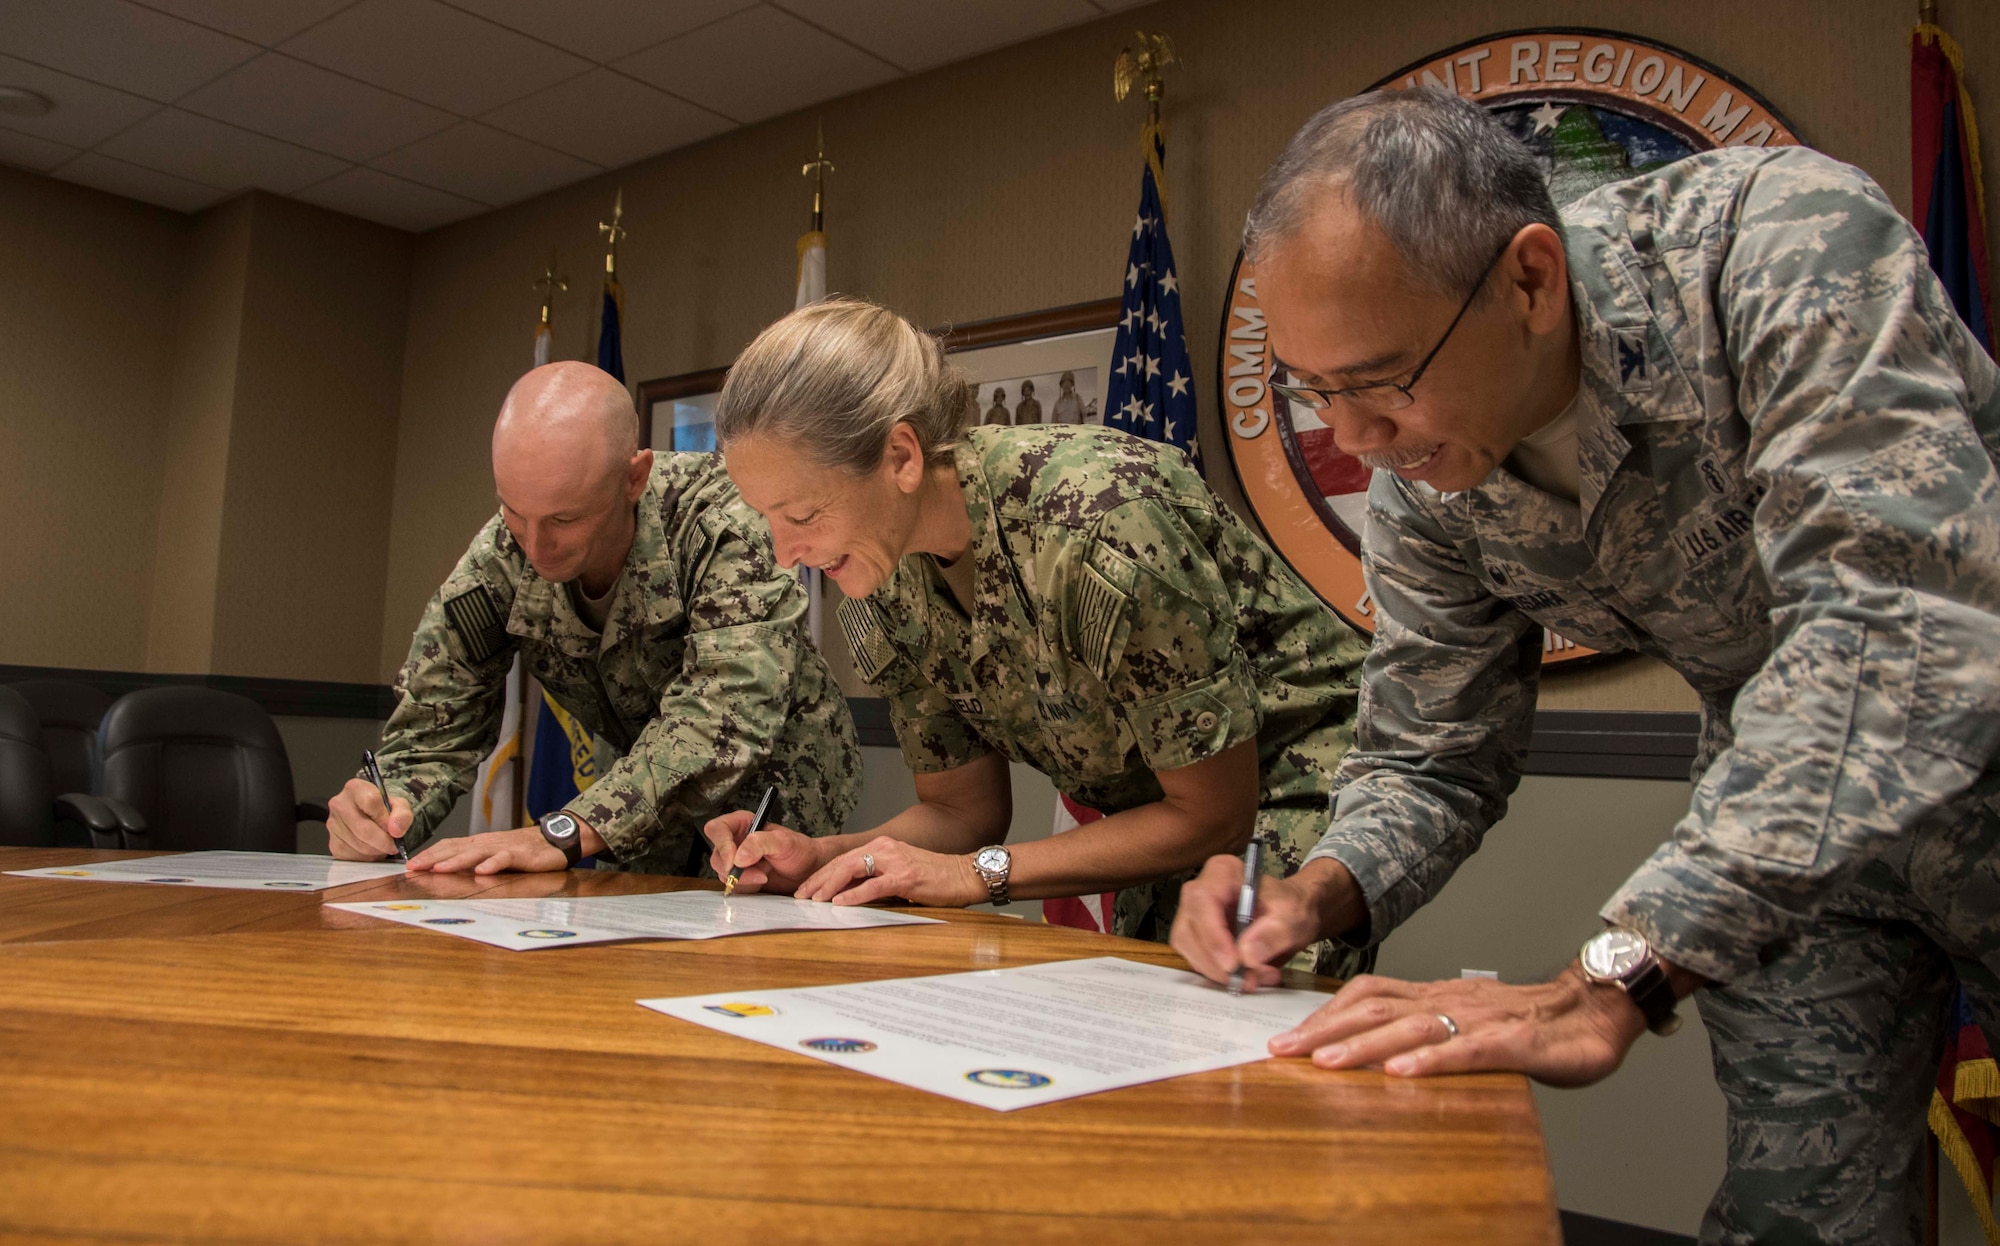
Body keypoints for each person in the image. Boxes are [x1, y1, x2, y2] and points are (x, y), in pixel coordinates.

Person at [1171, 87, 2000, 1243]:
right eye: (1315, 391)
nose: (1352, 442)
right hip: (1785, 846)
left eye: (1378, 380)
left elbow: (1892, 630)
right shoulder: (1425, 483)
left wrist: (1609, 977)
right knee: (1793, 1215)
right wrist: (1314, 891)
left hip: (1967, 751)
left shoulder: (1776, 245)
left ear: (1529, 279)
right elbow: (1429, 750)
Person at [703, 298, 1370, 970]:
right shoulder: (885, 584)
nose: (785, 553)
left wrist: (975, 875)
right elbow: (962, 811)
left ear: (901, 456)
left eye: (802, 513)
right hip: (1158, 810)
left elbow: (1213, 814)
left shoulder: (1103, 524)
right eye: (769, 520)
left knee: (1237, 1025)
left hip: (1290, 783)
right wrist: (828, 855)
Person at [326, 361, 861, 876]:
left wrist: (560, 832)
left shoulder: (723, 526)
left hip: (781, 801)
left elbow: (722, 720)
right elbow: (436, 726)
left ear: (634, 478)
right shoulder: (500, 561)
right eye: (513, 511)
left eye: (565, 518)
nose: (535, 547)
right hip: (633, 810)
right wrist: (385, 807)